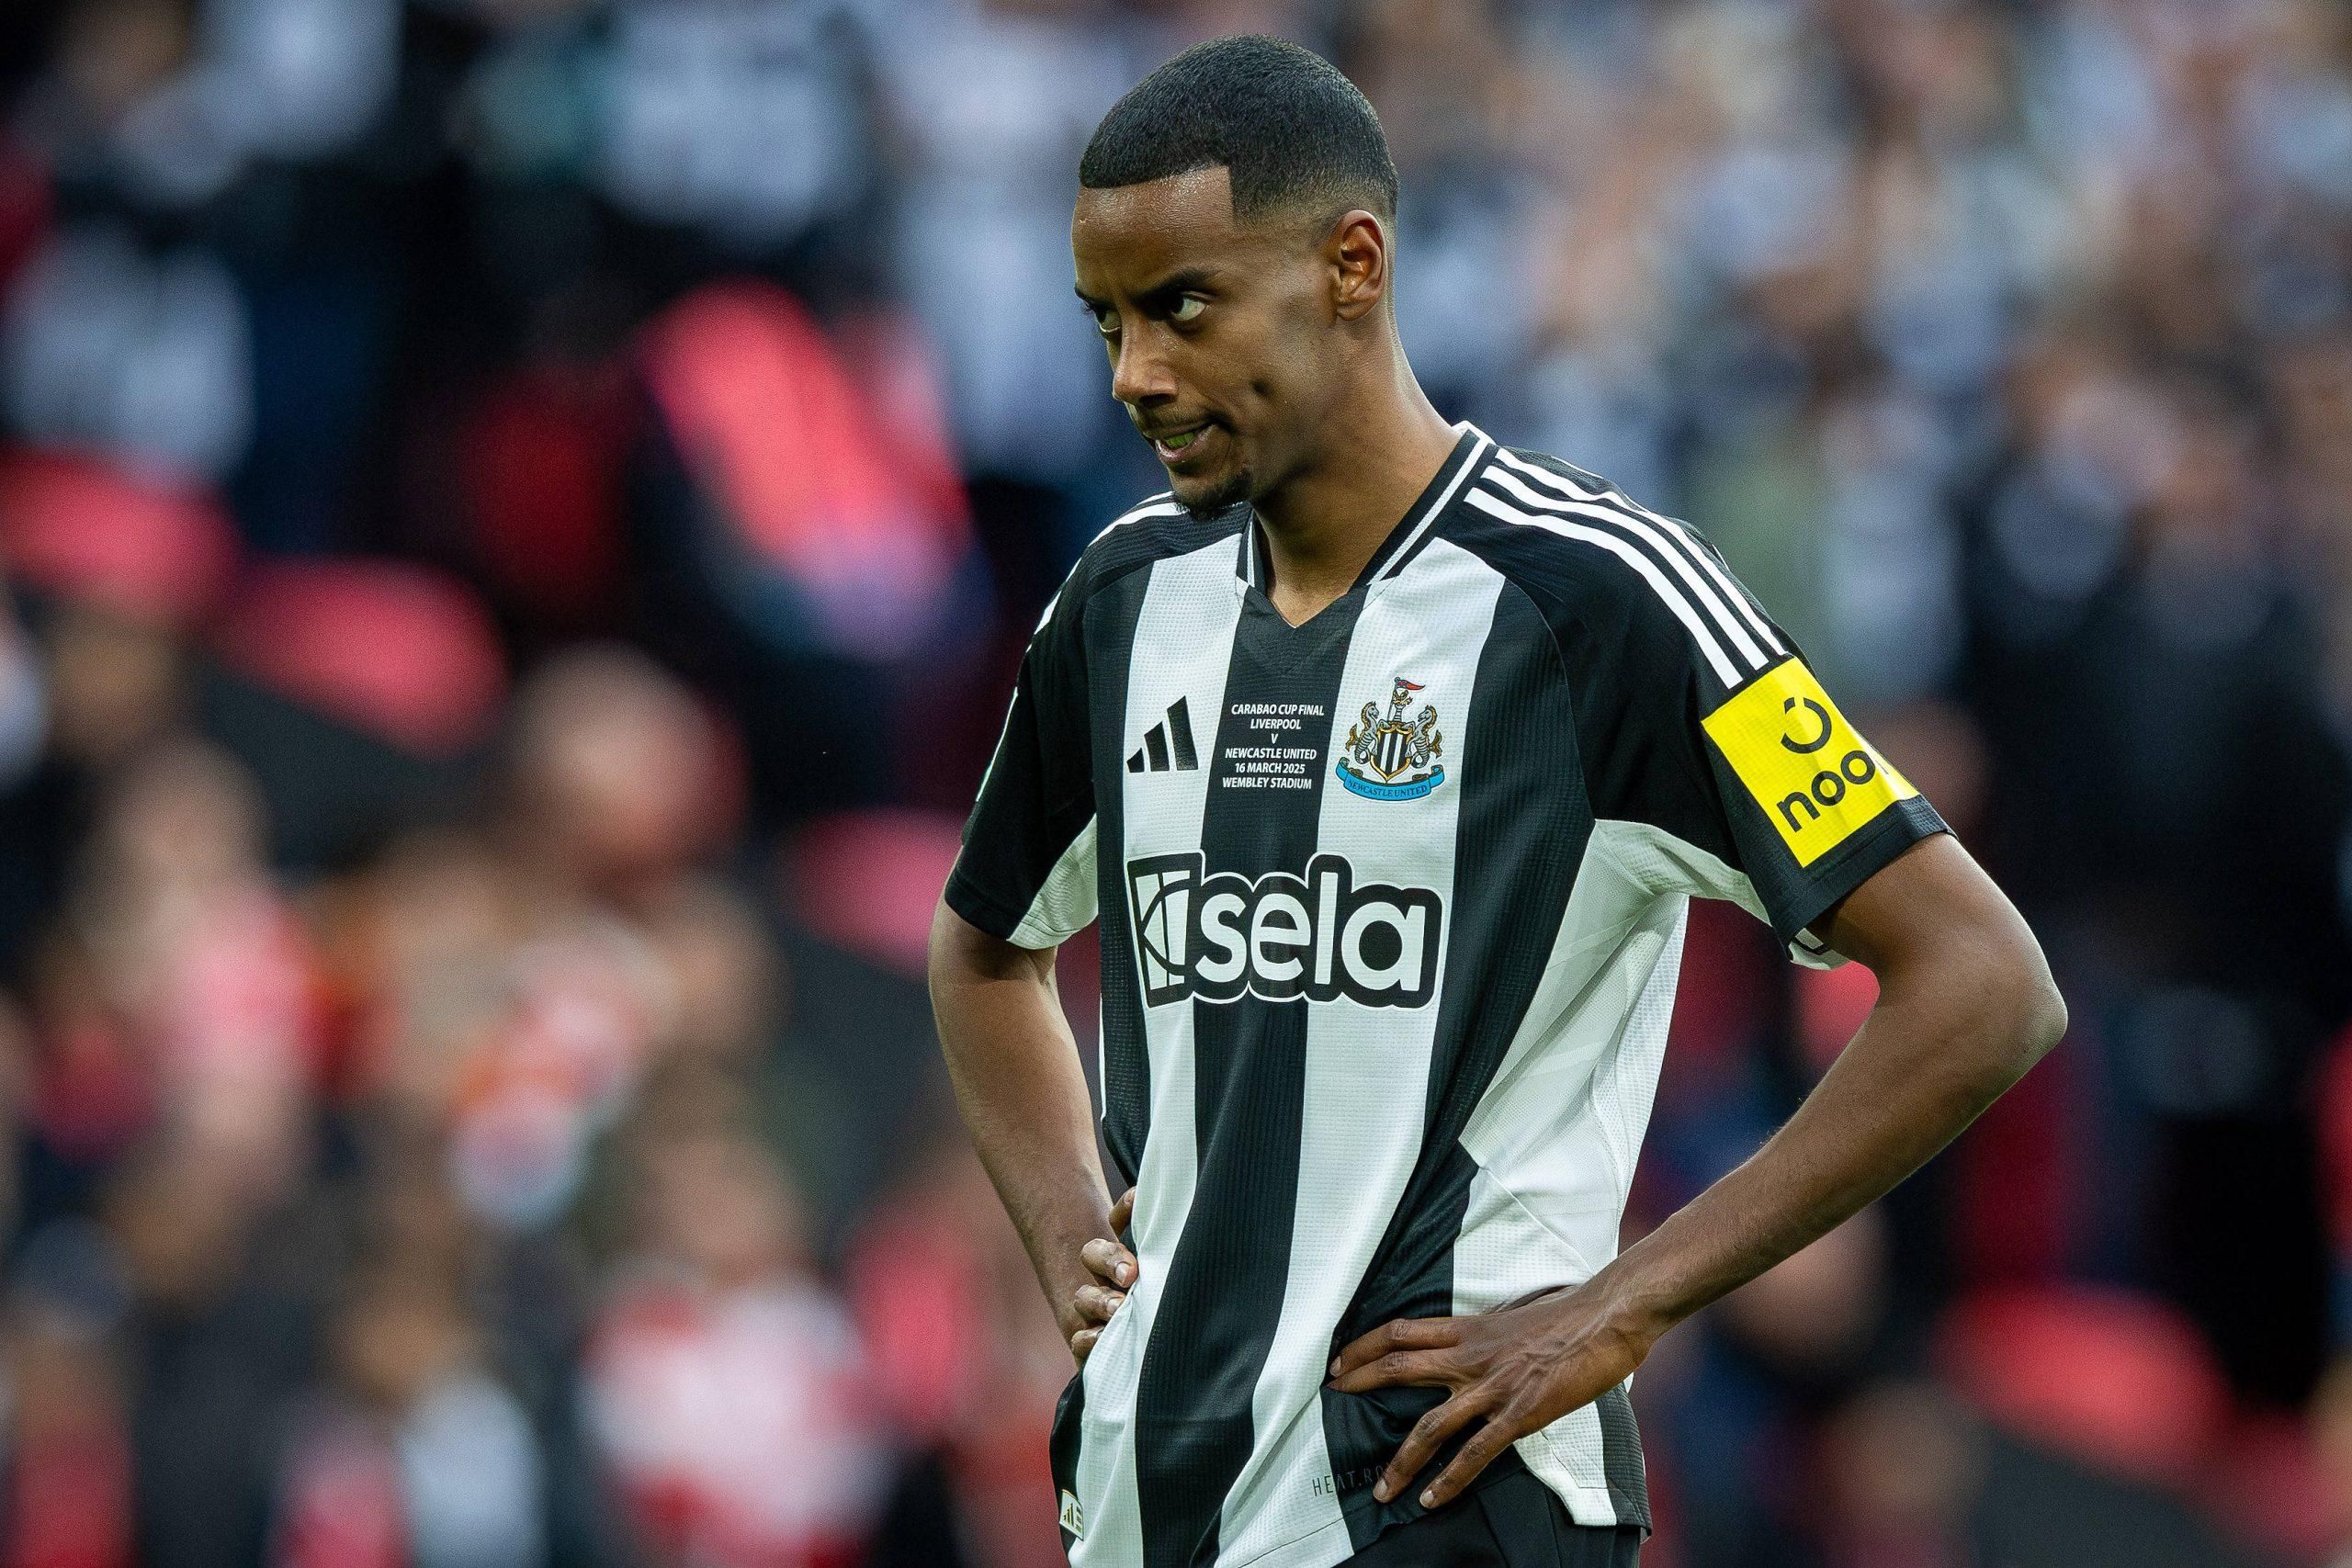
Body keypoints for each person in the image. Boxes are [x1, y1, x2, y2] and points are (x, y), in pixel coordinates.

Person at [927, 35, 2065, 1568]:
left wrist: (1631, 1296)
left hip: (1449, 1501)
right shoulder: (1123, 601)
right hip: (1154, 1497)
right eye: (1109, 321)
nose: (1137, 372)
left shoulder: (1612, 603)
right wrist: (1073, 1234)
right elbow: (985, 943)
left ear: (1353, 264)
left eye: (1182, 306)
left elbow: (1985, 984)